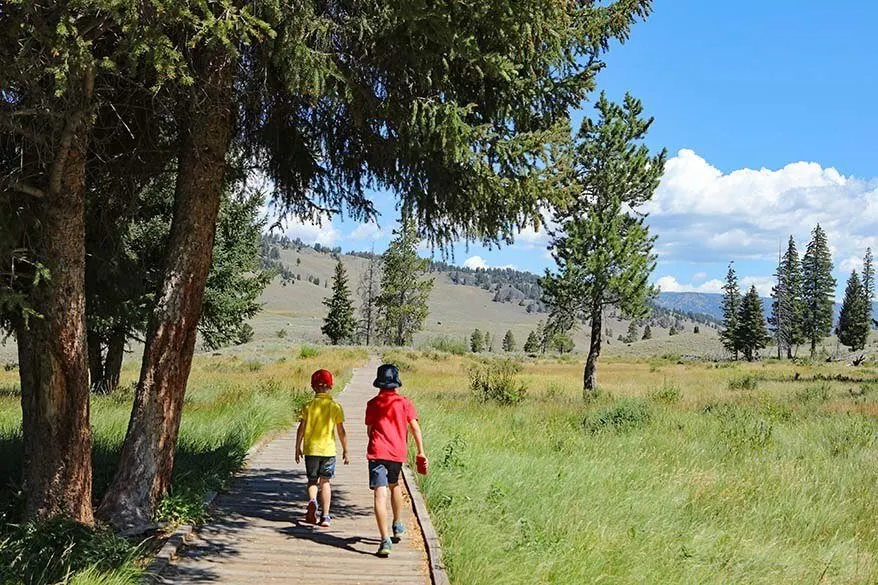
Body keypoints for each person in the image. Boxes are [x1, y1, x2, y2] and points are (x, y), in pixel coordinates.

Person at [365, 363, 427, 557]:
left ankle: (384, 540)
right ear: (396, 383)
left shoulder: (373, 404)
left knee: (379, 494)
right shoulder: (405, 403)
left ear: (379, 383)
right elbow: (415, 427)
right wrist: (420, 451)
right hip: (397, 452)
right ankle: (398, 523)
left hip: (378, 452)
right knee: (395, 484)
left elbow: (369, 430)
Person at [295, 369, 349, 527]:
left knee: (312, 481)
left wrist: (297, 447)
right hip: (328, 451)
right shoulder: (335, 407)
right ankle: (325, 516)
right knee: (325, 482)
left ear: (313, 387)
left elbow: (301, 428)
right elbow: (341, 430)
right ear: (330, 386)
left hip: (311, 450)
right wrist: (346, 449)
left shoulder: (308, 406)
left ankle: (312, 501)